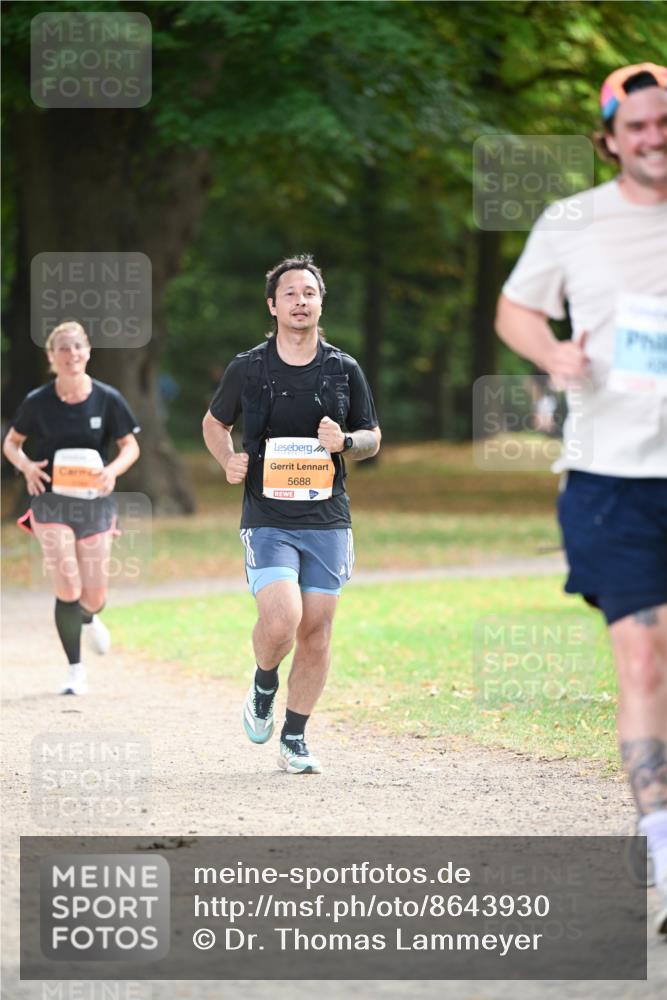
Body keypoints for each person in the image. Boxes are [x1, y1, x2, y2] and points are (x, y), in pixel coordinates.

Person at [495, 63, 667, 934]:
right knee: (641, 659)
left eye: (662, 121)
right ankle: (664, 848)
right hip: (610, 477)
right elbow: (515, 311)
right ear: (608, 138)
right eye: (635, 126)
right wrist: (553, 354)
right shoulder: (572, 221)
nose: (652, 137)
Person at [203, 254, 381, 774]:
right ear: (273, 305)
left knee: (317, 631)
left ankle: (295, 737)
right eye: (290, 294)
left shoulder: (343, 369)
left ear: (320, 302)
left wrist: (346, 440)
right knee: (283, 620)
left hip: (327, 518)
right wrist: (228, 459)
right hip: (267, 515)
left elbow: (372, 436)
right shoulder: (248, 368)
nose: (300, 302)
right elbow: (214, 423)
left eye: (309, 293)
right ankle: (263, 683)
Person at [3, 321, 140, 695]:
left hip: (94, 504)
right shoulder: (38, 401)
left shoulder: (108, 398)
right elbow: (12, 443)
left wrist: (112, 471)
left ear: (88, 351)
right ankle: (75, 670)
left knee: (92, 595)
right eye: (62, 348)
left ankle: (89, 617)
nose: (71, 354)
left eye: (77, 346)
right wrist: (27, 466)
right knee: (67, 584)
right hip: (51, 501)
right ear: (51, 356)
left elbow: (130, 446)